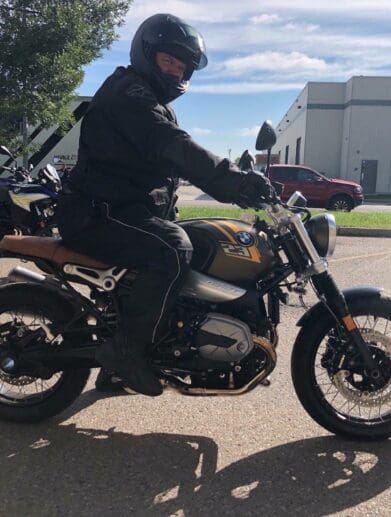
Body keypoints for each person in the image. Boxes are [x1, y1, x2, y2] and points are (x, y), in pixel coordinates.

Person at [57, 13, 274, 396]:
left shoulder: (150, 98)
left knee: (190, 238)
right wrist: (234, 182)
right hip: (97, 212)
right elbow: (174, 146)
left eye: (182, 64)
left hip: (120, 210)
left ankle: (128, 356)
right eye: (168, 60)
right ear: (148, 54)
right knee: (172, 249)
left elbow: (164, 168)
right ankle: (126, 352)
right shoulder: (130, 93)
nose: (176, 70)